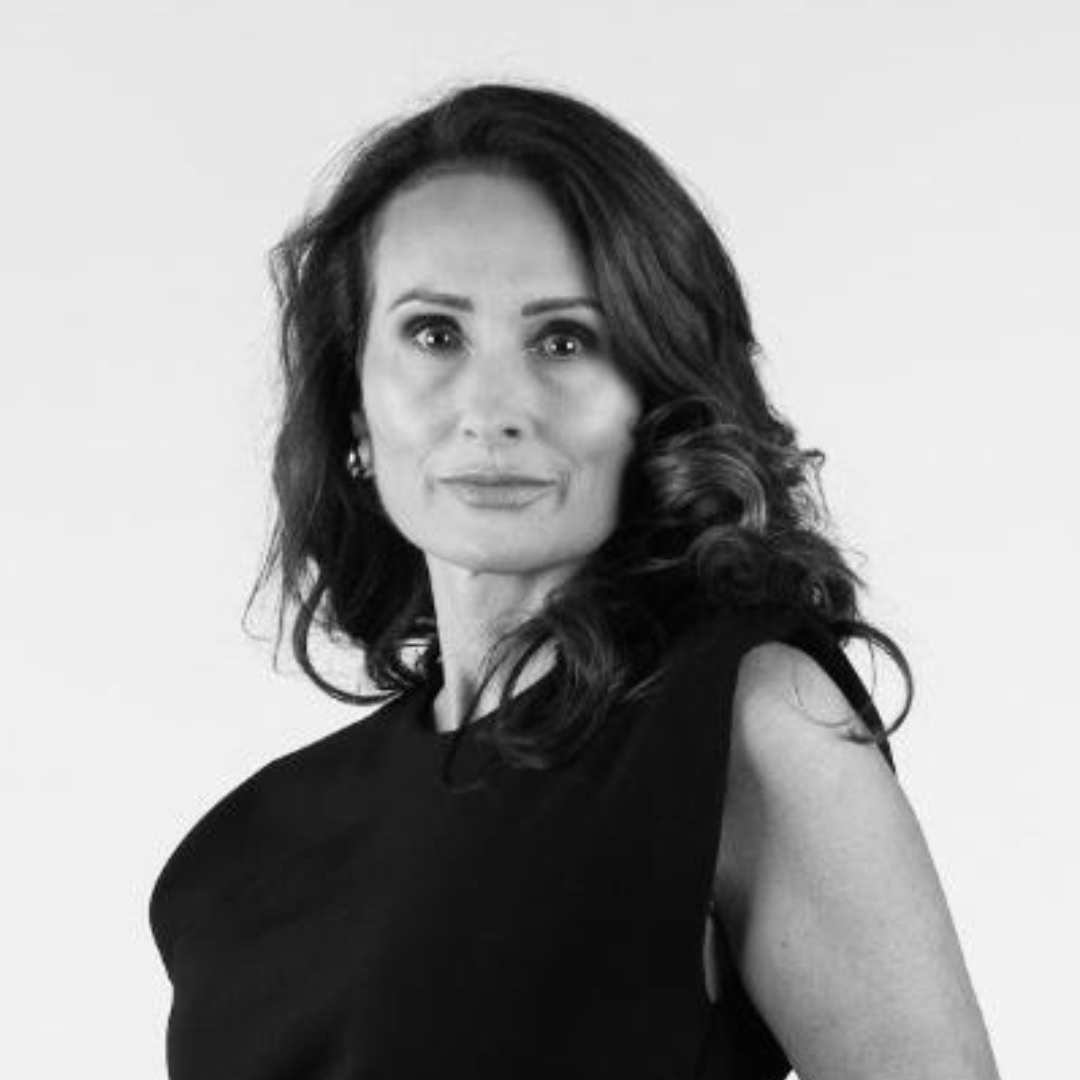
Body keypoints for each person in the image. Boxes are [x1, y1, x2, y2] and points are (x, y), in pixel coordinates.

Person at [148, 80, 1001, 1080]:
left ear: (655, 395)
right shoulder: (242, 854)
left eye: (564, 340)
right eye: (434, 334)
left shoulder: (746, 721)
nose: (493, 409)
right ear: (354, 412)